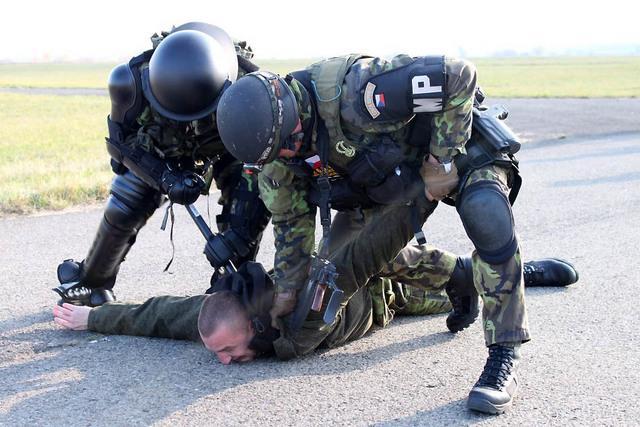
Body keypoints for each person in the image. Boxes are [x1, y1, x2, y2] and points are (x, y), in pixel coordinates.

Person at [213, 54, 557, 414]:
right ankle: (461, 276)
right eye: (275, 153)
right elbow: (290, 225)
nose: (285, 154)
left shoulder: (358, 93)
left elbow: (457, 75)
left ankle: (504, 356)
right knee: (347, 262)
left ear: (293, 113)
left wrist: (442, 160)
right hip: (391, 183)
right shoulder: (276, 157)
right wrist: (286, 292)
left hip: (453, 144)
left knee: (486, 214)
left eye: (286, 143)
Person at [54, 23, 271, 307]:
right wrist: (164, 177)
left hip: (229, 147)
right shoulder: (128, 82)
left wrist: (238, 234)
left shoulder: (249, 85)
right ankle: (93, 280)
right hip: (158, 151)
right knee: (127, 197)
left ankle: (230, 286)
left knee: (247, 200)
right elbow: (120, 145)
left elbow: (265, 160)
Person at [53, 249, 578, 365]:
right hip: (359, 299)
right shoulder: (224, 316)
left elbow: (356, 255)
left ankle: (524, 272)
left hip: (380, 289)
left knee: (458, 287)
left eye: (230, 349)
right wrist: (93, 316)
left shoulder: (300, 306)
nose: (223, 360)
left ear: (257, 325)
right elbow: (157, 313)